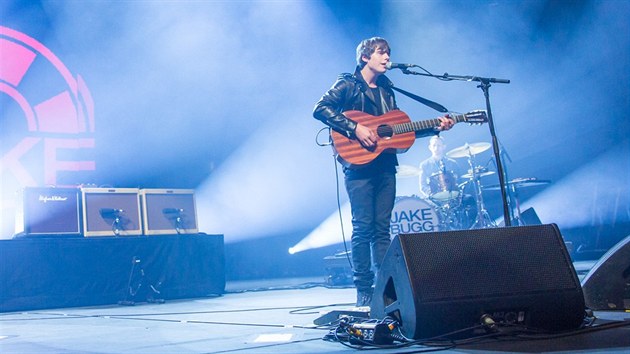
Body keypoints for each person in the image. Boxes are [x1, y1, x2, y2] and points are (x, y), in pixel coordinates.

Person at [313, 37, 454, 307]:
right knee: (363, 227)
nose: (387, 57)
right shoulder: (347, 83)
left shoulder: (388, 89)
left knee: (382, 229)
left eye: (388, 52)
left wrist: (437, 126)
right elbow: (320, 109)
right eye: (381, 52)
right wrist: (355, 128)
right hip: (357, 165)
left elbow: (397, 129)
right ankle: (363, 288)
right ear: (365, 57)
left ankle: (384, 286)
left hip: (385, 165)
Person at [418, 135, 461, 200]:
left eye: (439, 145)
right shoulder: (424, 165)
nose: (436, 148)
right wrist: (431, 194)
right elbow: (423, 185)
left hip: (452, 196)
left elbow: (459, 181)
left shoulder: (453, 163)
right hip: (434, 199)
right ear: (430, 147)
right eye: (434, 145)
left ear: (444, 147)